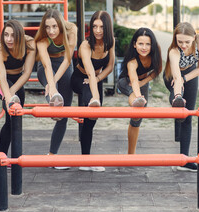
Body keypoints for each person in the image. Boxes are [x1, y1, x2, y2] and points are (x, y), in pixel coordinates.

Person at [71, 11, 115, 172]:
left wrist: (96, 80)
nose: (97, 30)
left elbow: (110, 66)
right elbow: (89, 72)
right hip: (79, 79)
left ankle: (85, 159)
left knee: (91, 121)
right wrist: (95, 95)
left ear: (107, 27)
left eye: (101, 27)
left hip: (95, 79)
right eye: (95, 26)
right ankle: (85, 159)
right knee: (92, 108)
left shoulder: (110, 43)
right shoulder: (86, 45)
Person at [35, 9, 77, 169]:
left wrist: (54, 82)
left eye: (54, 26)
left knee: (64, 112)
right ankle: (53, 103)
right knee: (54, 92)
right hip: (45, 67)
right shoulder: (42, 39)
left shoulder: (71, 29)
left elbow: (68, 59)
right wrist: (51, 85)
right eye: (47, 27)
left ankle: (52, 156)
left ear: (60, 24)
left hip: (65, 65)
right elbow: (46, 65)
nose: (51, 31)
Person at [163, 22, 199, 172]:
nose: (183, 45)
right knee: (180, 105)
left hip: (191, 74)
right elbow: (176, 74)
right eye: (180, 41)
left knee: (188, 117)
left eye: (187, 42)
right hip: (172, 76)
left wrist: (185, 79)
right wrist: (178, 91)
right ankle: (176, 101)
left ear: (194, 37)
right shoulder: (174, 50)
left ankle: (184, 160)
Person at [0, 19, 36, 154]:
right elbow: (2, 78)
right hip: (1, 82)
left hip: (18, 81)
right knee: (10, 115)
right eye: (6, 35)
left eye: (12, 35)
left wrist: (13, 91)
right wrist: (8, 97)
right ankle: (2, 156)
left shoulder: (29, 44)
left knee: (15, 121)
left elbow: (27, 73)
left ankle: (15, 157)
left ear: (19, 36)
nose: (9, 39)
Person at [117, 28, 162, 154]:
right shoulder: (132, 61)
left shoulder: (155, 52)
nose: (144, 47)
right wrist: (138, 97)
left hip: (142, 82)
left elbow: (157, 70)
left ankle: (131, 154)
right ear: (134, 44)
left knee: (137, 119)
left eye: (148, 44)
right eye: (141, 44)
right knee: (134, 95)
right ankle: (136, 101)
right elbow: (133, 80)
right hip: (126, 82)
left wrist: (144, 82)